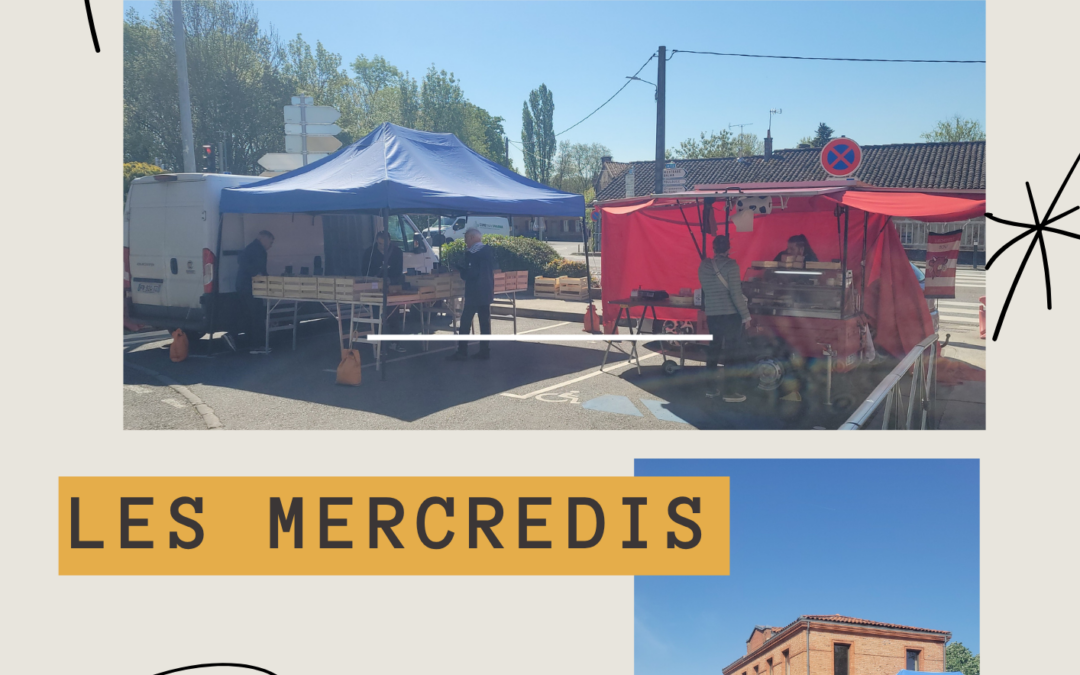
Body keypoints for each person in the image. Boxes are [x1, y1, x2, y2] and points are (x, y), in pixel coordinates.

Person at [698, 235, 752, 402]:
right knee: (731, 353)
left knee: (713, 350)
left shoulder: (703, 265)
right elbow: (736, 294)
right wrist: (746, 316)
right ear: (729, 249)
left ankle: (711, 389)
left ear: (713, 248)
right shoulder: (732, 266)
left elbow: (706, 289)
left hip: (712, 314)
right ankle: (729, 392)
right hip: (730, 315)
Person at [447, 228, 495, 361]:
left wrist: (461, 271)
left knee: (465, 321)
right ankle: (485, 350)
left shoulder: (473, 253)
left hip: (474, 292)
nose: (465, 242)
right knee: (484, 322)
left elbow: (471, 274)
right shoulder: (488, 251)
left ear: (473, 238)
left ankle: (462, 351)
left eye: (467, 238)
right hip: (486, 290)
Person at [362, 230, 407, 352]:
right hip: (375, 288)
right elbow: (364, 272)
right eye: (380, 244)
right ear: (377, 241)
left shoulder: (397, 252)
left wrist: (390, 280)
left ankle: (395, 342)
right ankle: (379, 345)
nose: (382, 247)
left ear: (390, 242)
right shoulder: (369, 252)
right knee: (377, 316)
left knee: (393, 316)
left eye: (385, 244)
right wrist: (375, 278)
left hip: (392, 288)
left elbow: (398, 271)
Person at [235, 230, 273, 349]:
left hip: (242, 285)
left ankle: (250, 342)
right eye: (270, 242)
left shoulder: (250, 247)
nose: (270, 246)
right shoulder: (259, 250)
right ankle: (257, 344)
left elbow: (241, 260)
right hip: (251, 287)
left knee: (248, 314)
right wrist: (257, 275)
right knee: (257, 315)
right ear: (263, 238)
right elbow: (260, 268)